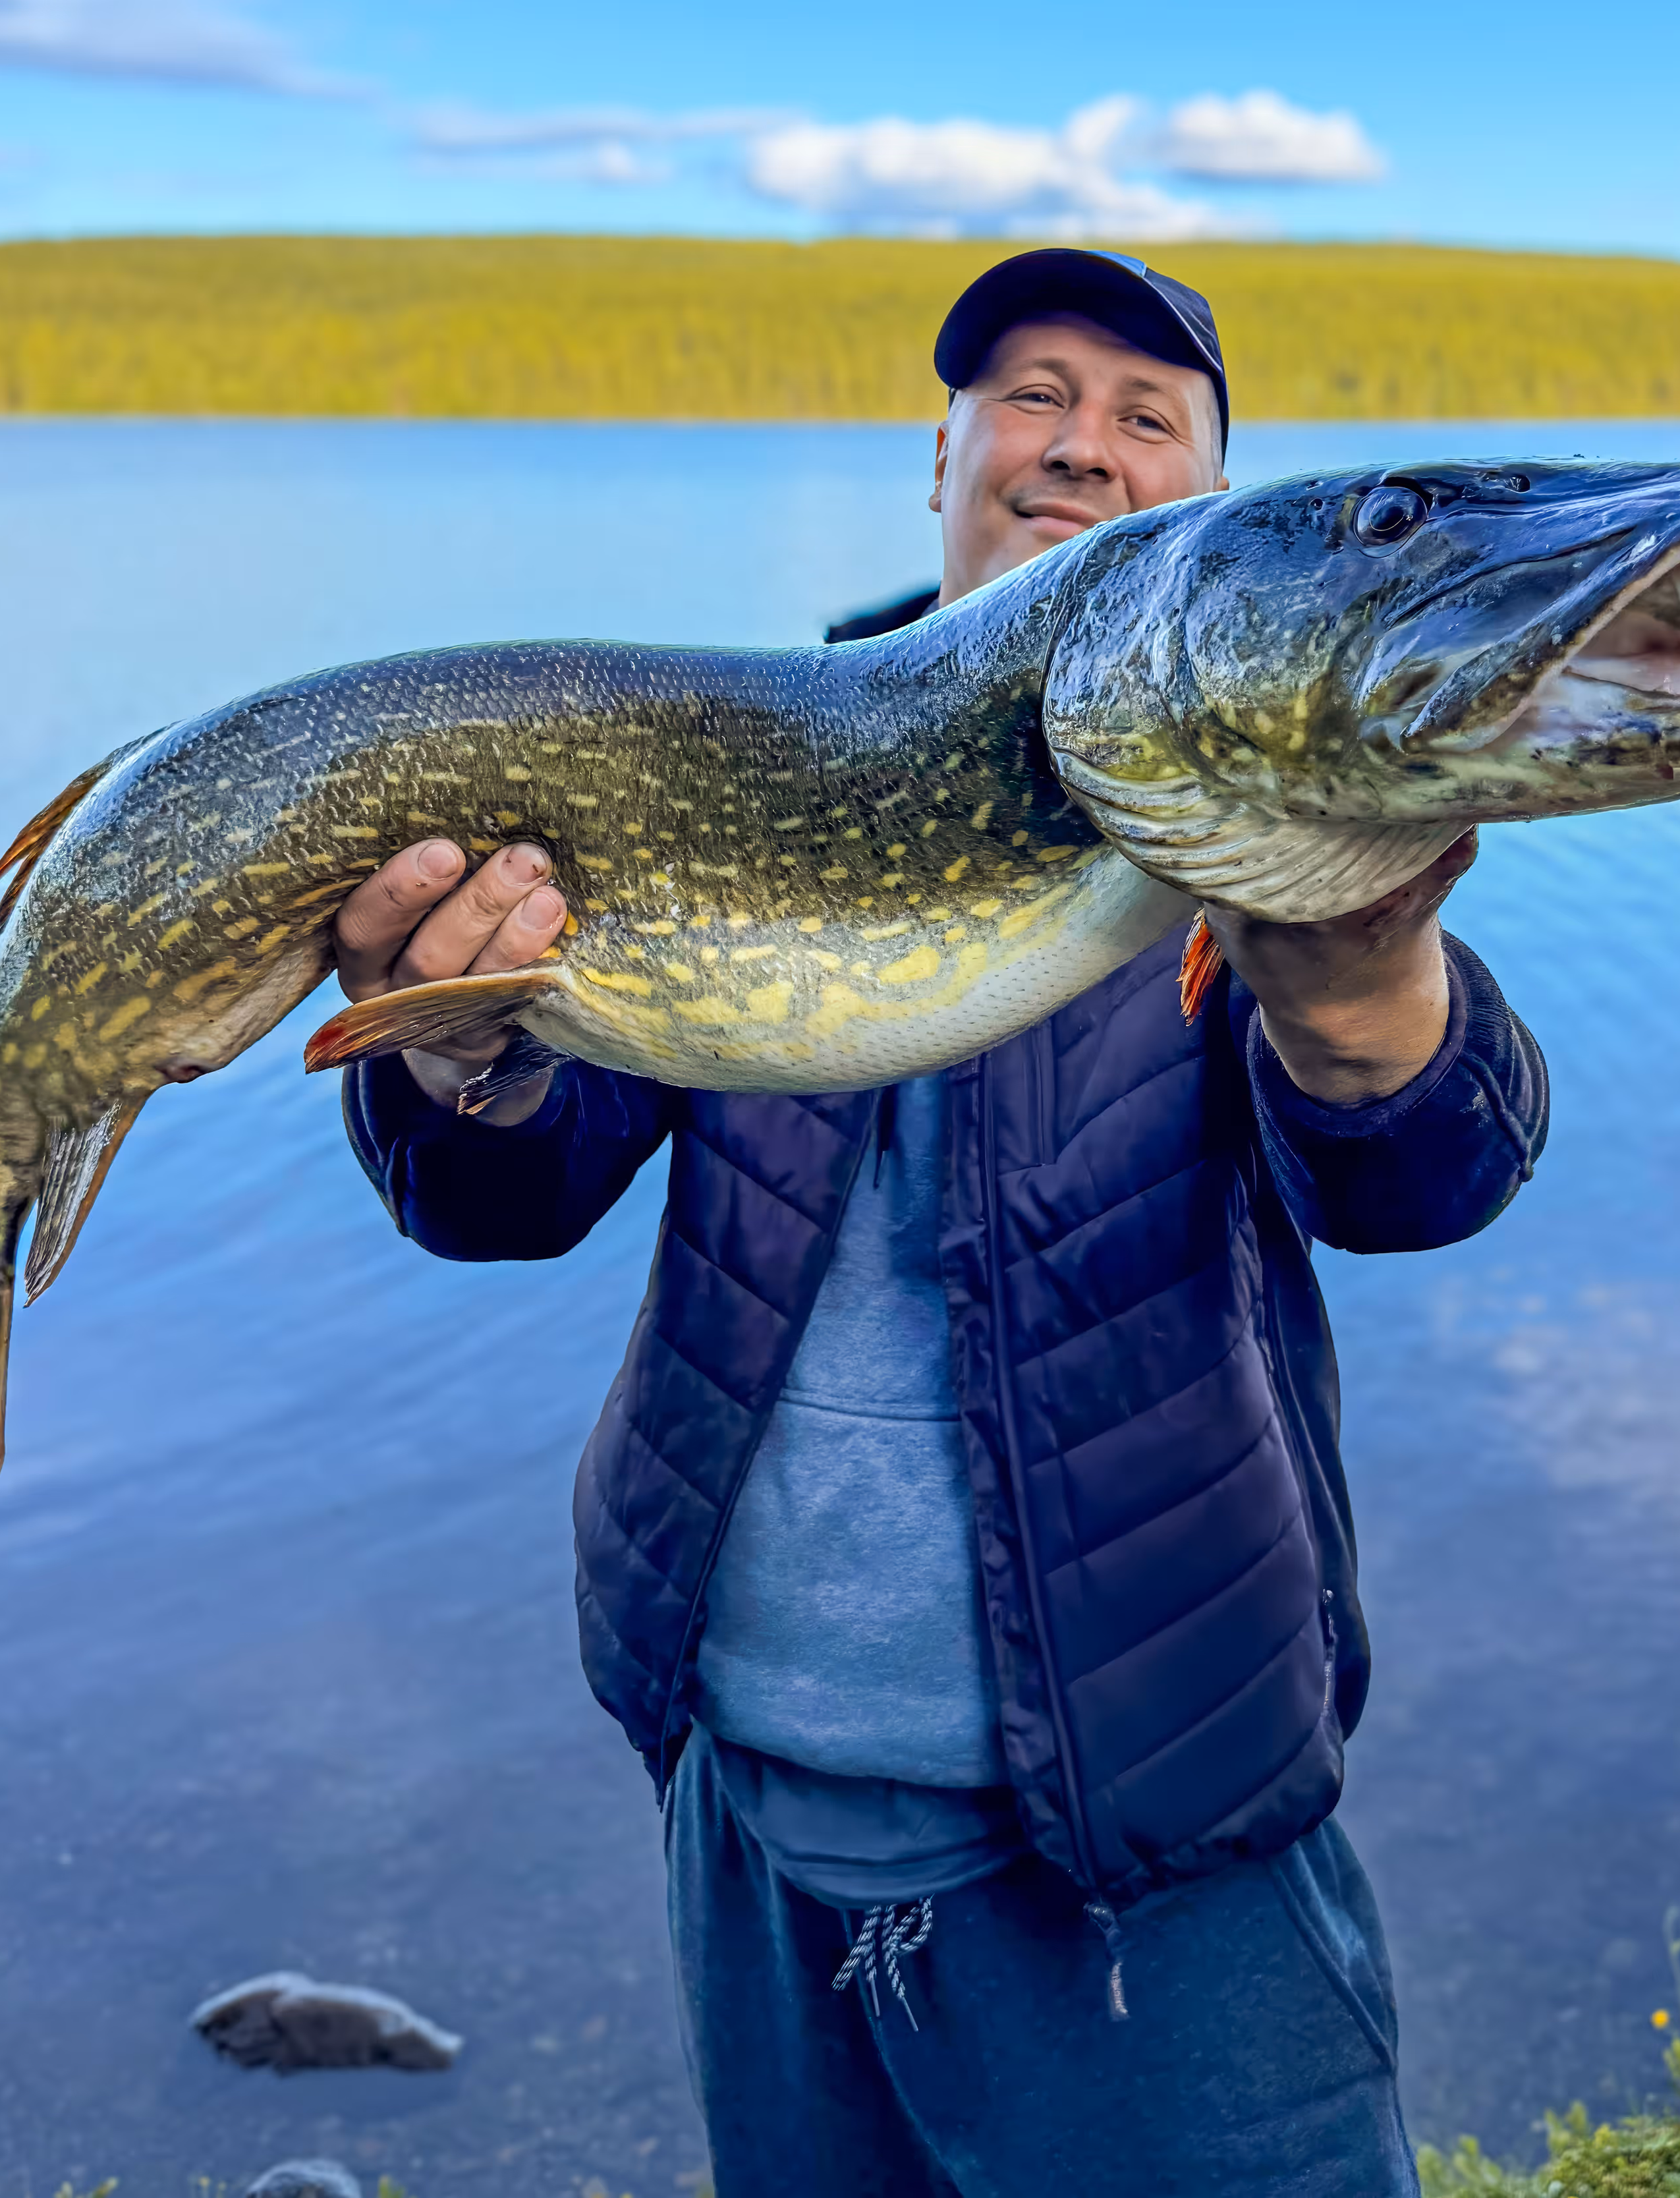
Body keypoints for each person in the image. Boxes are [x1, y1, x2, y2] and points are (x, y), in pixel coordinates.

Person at [326, 248, 1550, 2195]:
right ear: (944, 454)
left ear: (1219, 515)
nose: (1082, 446)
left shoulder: (1251, 799)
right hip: (748, 1807)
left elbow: (1425, 1172)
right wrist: (458, 1055)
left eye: (1153, 418)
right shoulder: (717, 766)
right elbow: (510, 1196)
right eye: (1033, 397)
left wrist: (1366, 1002)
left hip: (1150, 1823)